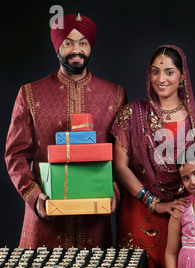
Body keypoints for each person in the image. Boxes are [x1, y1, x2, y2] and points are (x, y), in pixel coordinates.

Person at [4, 13, 127, 249]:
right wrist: (34, 195)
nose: (76, 49)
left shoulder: (115, 96)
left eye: (83, 43)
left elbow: (124, 155)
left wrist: (115, 190)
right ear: (57, 47)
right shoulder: (30, 94)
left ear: (90, 46)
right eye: (68, 43)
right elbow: (15, 154)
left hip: (94, 221)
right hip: (45, 218)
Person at [111, 45, 195, 268]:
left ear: (182, 77)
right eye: (155, 71)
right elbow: (119, 166)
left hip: (184, 213)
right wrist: (153, 202)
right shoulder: (132, 114)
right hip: (139, 209)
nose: (161, 79)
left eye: (169, 72)